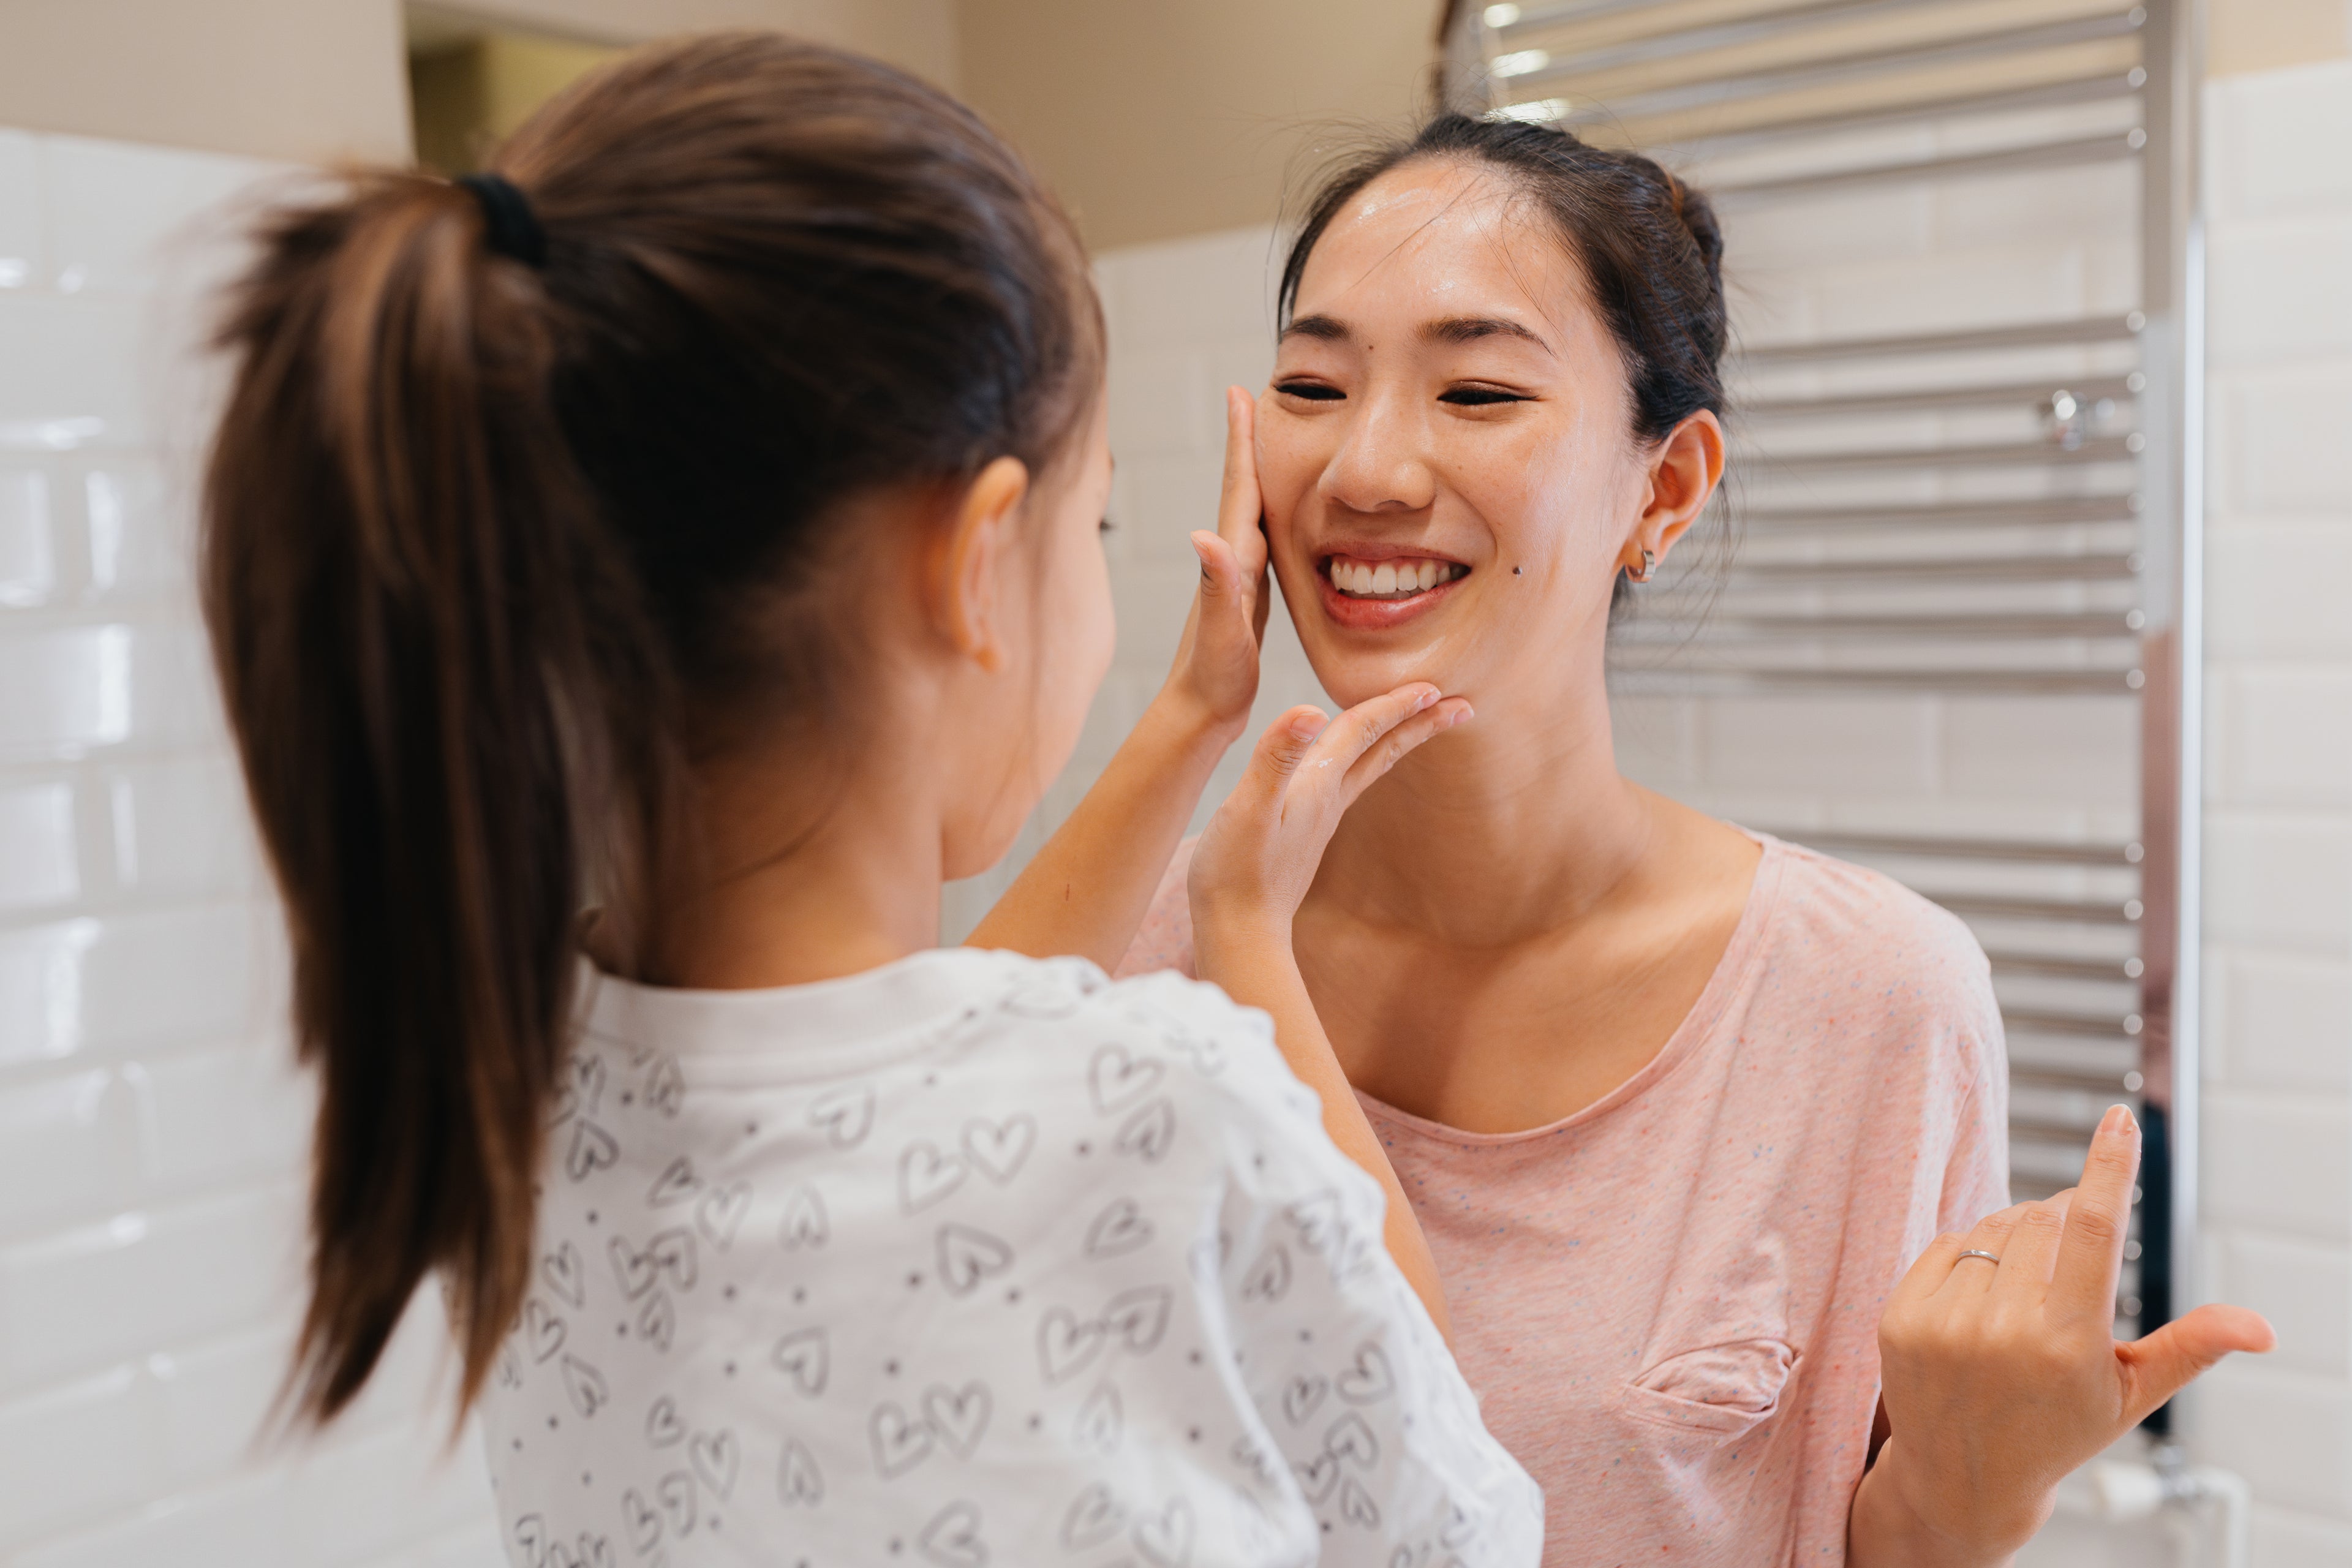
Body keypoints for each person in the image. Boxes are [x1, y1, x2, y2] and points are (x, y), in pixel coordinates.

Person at [197, 38, 1541, 1566]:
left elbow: (892, 1079)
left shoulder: (517, 1071)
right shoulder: (1162, 1108)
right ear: (974, 560)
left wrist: (1187, 724)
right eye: (1087, 518)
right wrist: (1245, 934)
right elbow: (1467, 1528)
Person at [1116, 113, 2274, 1566]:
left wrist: (1974, 1494)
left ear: (1662, 490)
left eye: (1475, 389)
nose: (1365, 467)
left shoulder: (1870, 998)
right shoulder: (1165, 946)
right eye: (1310, 382)